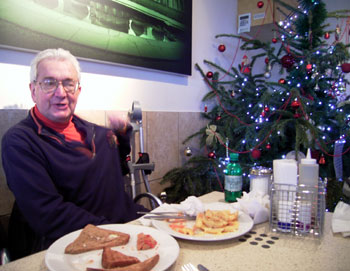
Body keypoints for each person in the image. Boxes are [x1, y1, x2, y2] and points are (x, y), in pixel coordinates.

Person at [1, 48, 149, 260]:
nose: (61, 93)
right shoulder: (20, 142)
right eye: (49, 83)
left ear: (78, 90)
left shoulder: (96, 132)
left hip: (126, 232)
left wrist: (122, 138)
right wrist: (116, 232)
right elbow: (49, 215)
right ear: (33, 90)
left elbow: (116, 172)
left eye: (68, 83)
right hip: (76, 250)